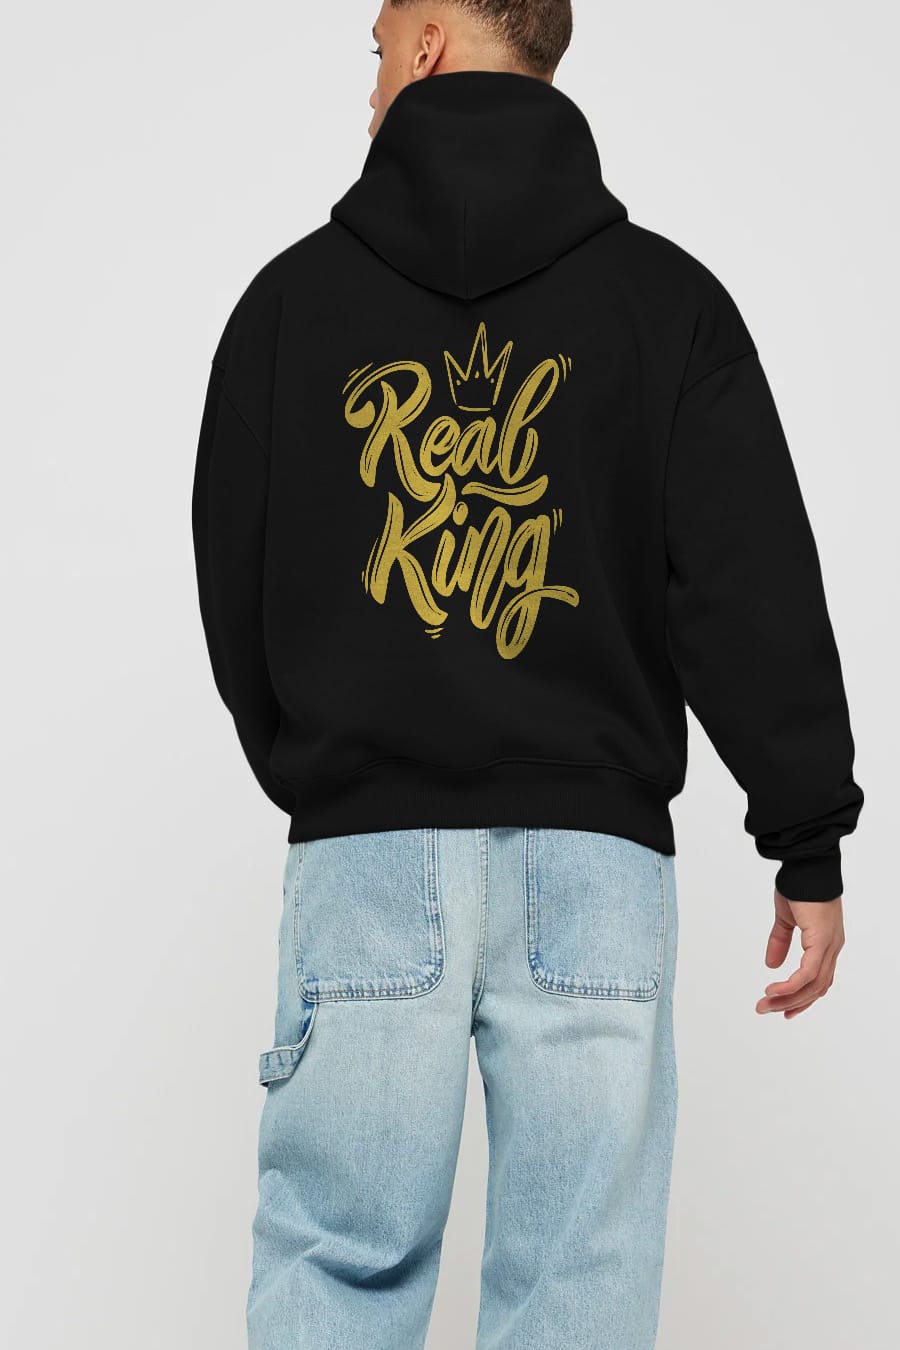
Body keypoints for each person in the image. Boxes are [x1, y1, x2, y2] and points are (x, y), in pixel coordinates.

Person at [191, 3, 864, 1346]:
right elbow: (746, 581)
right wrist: (807, 836)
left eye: (380, 43)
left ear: (433, 43)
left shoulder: (290, 305)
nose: (371, 76)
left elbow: (235, 580)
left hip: (367, 856)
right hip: (595, 869)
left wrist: (338, 770)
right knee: (578, 1290)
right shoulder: (667, 304)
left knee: (337, 1266)